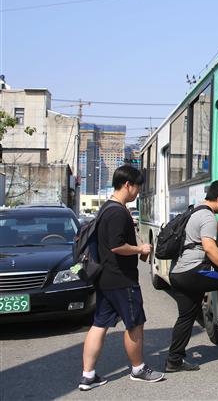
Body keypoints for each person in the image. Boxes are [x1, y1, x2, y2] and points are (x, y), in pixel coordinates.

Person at [79, 165, 164, 391]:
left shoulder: (106, 208)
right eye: (137, 187)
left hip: (105, 277)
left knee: (99, 325)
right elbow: (117, 246)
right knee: (135, 323)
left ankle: (88, 376)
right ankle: (138, 369)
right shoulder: (117, 212)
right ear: (128, 185)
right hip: (121, 278)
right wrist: (140, 249)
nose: (138, 192)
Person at [165, 179, 218, 373]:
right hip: (193, 272)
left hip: (178, 272)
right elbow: (208, 247)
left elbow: (198, 237)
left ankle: (174, 360)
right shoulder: (207, 217)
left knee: (186, 317)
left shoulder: (196, 210)